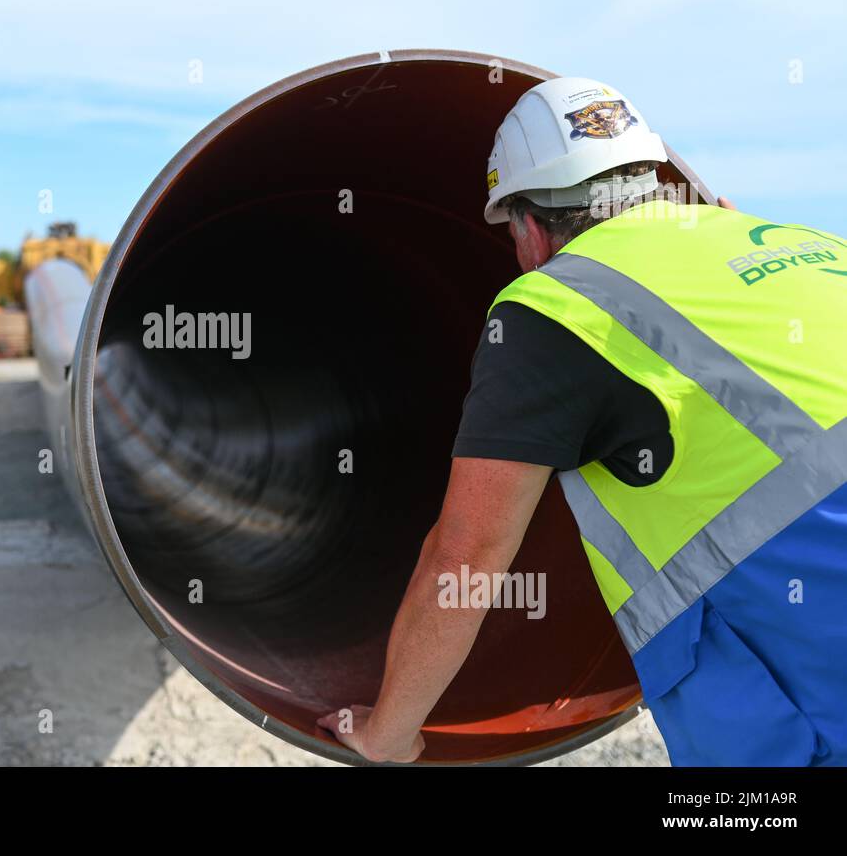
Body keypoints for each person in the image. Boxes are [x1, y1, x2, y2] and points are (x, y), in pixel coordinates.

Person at [318, 76, 847, 766]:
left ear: (530, 229)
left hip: (812, 637)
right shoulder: (797, 240)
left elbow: (465, 558)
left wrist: (388, 734)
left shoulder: (556, 303)